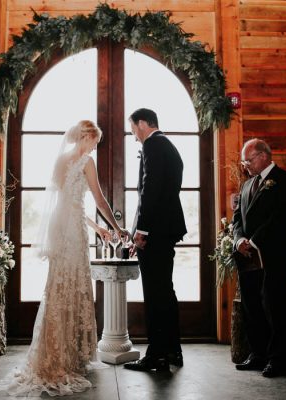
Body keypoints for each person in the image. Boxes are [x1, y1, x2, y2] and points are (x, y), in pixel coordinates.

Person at [0, 120, 127, 397]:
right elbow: (99, 199)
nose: (94, 146)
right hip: (73, 233)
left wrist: (98, 228)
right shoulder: (87, 161)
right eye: (95, 141)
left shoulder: (61, 161)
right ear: (87, 137)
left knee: (58, 287)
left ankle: (56, 350)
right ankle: (68, 356)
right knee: (74, 284)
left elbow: (69, 204)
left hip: (61, 228)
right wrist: (116, 228)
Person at [123, 108, 187, 373]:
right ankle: (172, 350)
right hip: (167, 229)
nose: (133, 135)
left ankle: (156, 356)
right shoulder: (169, 146)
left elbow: (150, 190)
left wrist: (142, 231)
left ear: (142, 123)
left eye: (132, 129)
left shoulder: (153, 145)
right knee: (166, 292)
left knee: (155, 294)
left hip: (155, 232)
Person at [231, 139, 286, 378]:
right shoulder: (247, 185)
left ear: (263, 156)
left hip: (272, 254)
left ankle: (277, 358)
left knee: (275, 305)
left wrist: (255, 241)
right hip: (247, 256)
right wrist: (239, 240)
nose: (245, 165)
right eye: (244, 161)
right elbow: (237, 218)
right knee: (252, 306)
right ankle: (257, 353)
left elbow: (281, 217)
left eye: (248, 160)